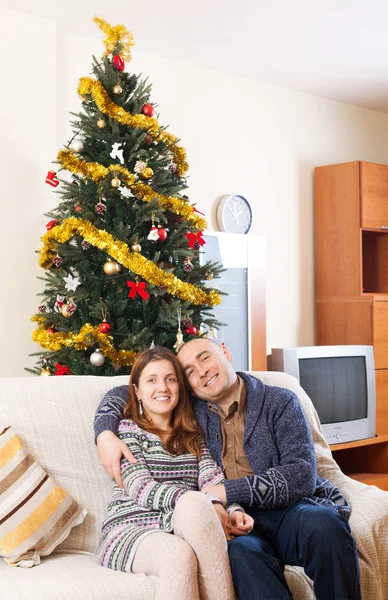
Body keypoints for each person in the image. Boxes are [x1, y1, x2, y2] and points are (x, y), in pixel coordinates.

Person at [95, 338, 362, 600]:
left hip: (288, 511)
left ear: (225, 351)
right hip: (234, 522)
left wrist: (222, 493)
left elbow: (301, 475)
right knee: (242, 555)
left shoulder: (279, 402)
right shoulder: (190, 412)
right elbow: (127, 391)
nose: (202, 372)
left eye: (206, 357)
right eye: (189, 371)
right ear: (187, 384)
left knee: (325, 525)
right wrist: (105, 433)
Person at [98, 345, 253, 600]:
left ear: (180, 387)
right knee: (178, 554)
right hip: (130, 530)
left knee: (187, 535)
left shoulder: (193, 434)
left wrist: (234, 510)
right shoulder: (128, 431)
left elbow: (212, 479)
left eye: (171, 379)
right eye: (151, 380)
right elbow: (140, 488)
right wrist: (203, 502)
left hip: (183, 524)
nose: (163, 388)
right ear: (136, 391)